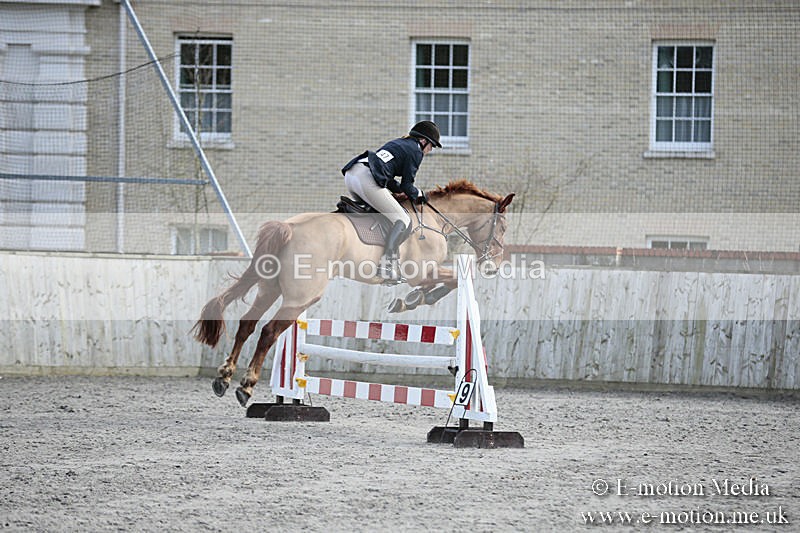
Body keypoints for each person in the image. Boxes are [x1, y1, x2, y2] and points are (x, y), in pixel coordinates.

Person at [341, 120, 442, 281]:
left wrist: (401, 190)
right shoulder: (415, 151)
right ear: (423, 141)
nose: (430, 150)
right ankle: (387, 265)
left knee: (379, 214)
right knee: (403, 219)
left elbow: (387, 178)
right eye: (431, 146)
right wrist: (419, 194)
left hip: (352, 174)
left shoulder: (400, 143)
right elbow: (408, 185)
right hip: (366, 178)